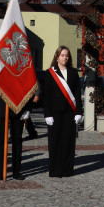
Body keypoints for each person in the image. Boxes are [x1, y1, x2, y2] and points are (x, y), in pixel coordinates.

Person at [41, 45, 82, 177]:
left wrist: (79, 112)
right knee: (55, 141)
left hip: (69, 112)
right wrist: (47, 114)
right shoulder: (50, 73)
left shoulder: (73, 72)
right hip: (55, 113)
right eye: (62, 55)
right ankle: (55, 170)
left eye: (67, 55)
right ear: (57, 56)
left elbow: (77, 93)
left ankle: (67, 169)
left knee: (68, 141)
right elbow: (46, 95)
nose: (65, 58)